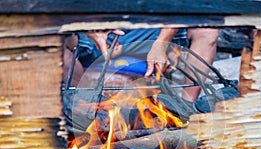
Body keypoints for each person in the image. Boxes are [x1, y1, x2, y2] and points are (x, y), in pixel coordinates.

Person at [63, 27, 218, 101]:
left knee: (206, 31)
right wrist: (90, 30)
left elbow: (179, 5)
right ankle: (80, 106)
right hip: (94, 33)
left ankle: (187, 107)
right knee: (48, 39)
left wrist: (162, 43)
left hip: (149, 32)